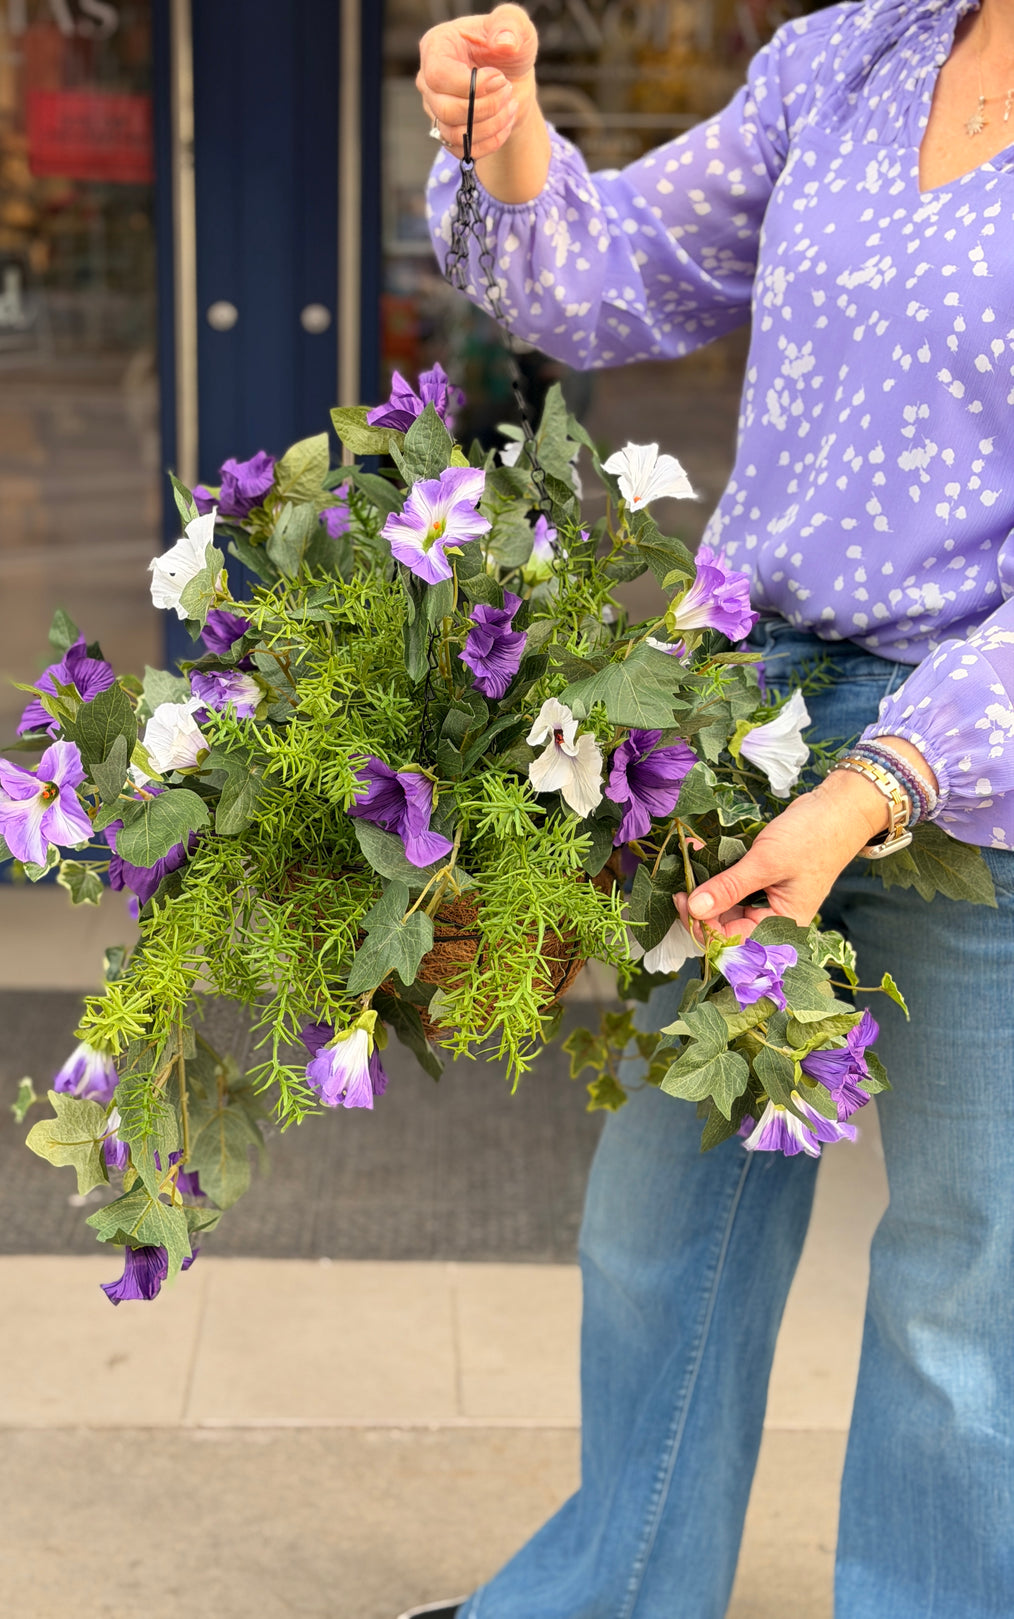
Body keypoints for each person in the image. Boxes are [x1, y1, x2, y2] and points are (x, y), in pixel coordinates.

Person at [396, 2, 1014, 1616]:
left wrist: (877, 786)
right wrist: (507, 126)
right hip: (753, 715)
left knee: (966, 1292)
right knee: (660, 1227)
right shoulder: (853, 55)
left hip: (987, 763)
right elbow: (614, 272)